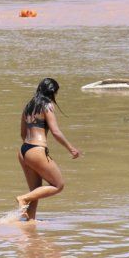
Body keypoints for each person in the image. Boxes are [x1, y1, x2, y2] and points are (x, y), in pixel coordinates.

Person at [16, 78, 80, 221]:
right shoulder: (47, 105)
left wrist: (30, 152)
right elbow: (55, 132)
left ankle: (30, 222)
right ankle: (22, 198)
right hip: (36, 149)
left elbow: (22, 133)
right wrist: (71, 148)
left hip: (24, 150)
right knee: (58, 185)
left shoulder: (28, 106)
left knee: (35, 192)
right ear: (52, 92)